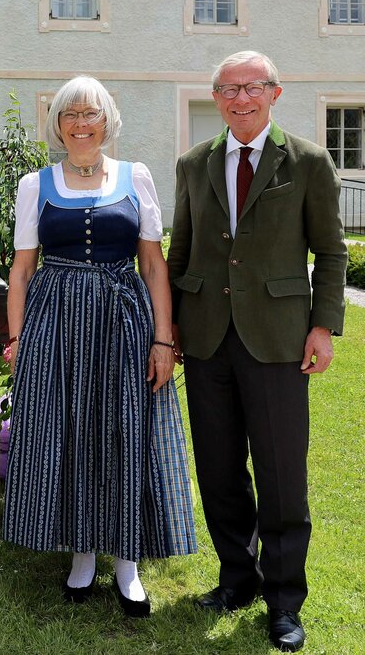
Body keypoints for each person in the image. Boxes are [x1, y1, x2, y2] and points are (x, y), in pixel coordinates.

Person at [168, 51, 347, 652]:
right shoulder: (194, 163)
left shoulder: (308, 162)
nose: (240, 99)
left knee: (280, 476)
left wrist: (323, 327)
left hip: (277, 339)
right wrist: (168, 333)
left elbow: (332, 251)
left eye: (252, 88)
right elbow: (182, 252)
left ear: (274, 92)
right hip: (207, 337)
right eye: (227, 89)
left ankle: (284, 599)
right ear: (216, 98)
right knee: (217, 472)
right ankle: (236, 579)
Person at [2, 75, 197, 618]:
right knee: (68, 429)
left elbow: (154, 265)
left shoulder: (136, 176)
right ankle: (82, 556)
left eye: (91, 114)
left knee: (124, 427)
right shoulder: (34, 184)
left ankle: (127, 564)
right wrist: (18, 339)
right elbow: (21, 272)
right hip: (56, 322)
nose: (81, 124)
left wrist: (164, 338)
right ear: (57, 126)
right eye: (70, 116)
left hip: (122, 320)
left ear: (107, 120)